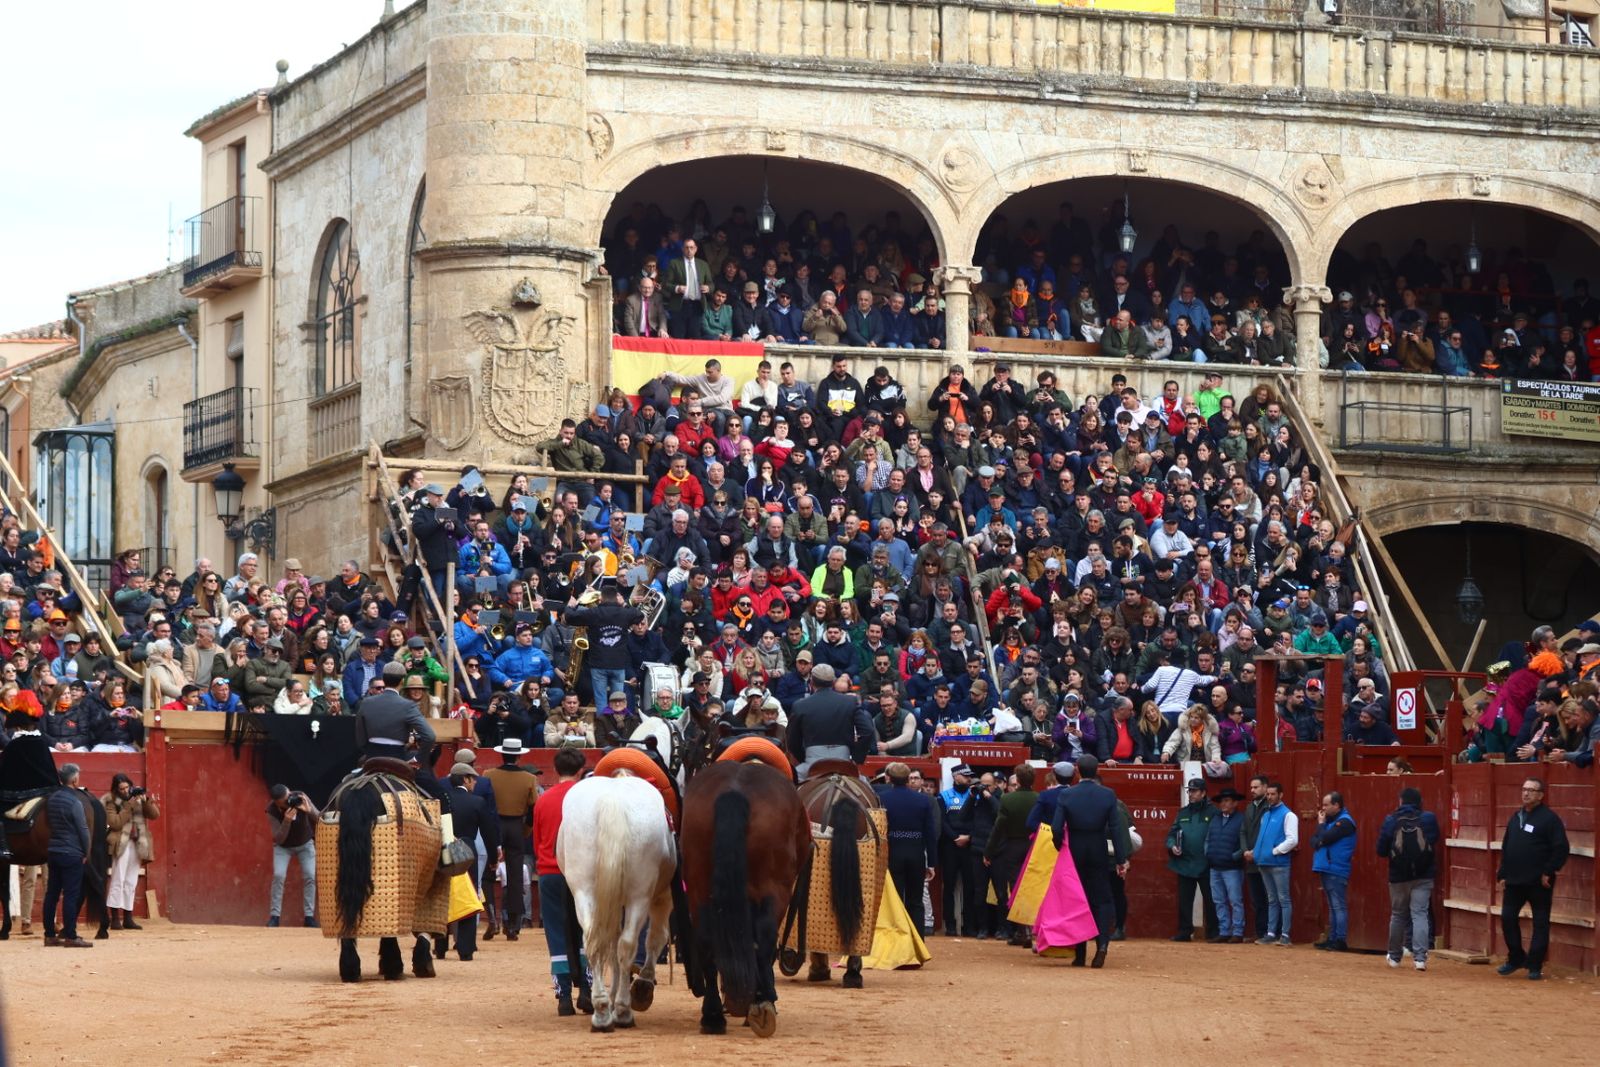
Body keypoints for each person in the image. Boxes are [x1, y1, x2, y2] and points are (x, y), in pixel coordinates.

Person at [1050, 755, 1128, 967]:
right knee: (1102, 899)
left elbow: (1056, 828)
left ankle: (1081, 953)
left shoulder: (1067, 794)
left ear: (1078, 771)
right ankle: (1102, 944)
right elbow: (1116, 829)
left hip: (1075, 850)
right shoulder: (1107, 795)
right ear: (1096, 771)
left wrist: (1060, 848)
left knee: (1077, 900)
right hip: (1098, 848)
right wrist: (1121, 859)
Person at [533, 747, 592, 1016]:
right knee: (586, 931)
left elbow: (537, 841)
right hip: (583, 874)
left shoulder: (543, 800)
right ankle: (588, 992)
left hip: (550, 871)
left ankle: (564, 996)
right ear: (581, 770)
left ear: (555, 770)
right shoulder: (586, 798)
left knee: (556, 933)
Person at [1495, 776, 1569, 981]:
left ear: (1541, 795)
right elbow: (1507, 846)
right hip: (1514, 880)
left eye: (1532, 790)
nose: (1526, 793)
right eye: (1524, 789)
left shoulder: (1549, 819)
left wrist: (1549, 871)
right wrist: (1502, 872)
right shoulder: (1515, 817)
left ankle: (1535, 964)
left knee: (1541, 922)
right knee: (1507, 918)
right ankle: (1516, 957)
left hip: (1539, 881)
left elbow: (1561, 848)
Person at [1377, 785, 1439, 972]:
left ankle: (1395, 957)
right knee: (1419, 913)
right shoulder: (1428, 818)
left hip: (1398, 875)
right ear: (1420, 802)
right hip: (1423, 874)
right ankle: (1420, 959)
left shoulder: (1391, 820)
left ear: (1401, 801)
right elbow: (1434, 840)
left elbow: (1380, 850)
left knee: (1398, 915)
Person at [484, 737, 541, 941]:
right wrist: (526, 829)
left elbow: (484, 803)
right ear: (518, 756)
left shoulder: (489, 775)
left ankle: (492, 917)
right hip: (516, 826)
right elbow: (534, 808)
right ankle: (513, 924)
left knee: (489, 871)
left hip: (494, 825)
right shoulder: (528, 779)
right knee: (516, 875)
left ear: (502, 754)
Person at [446, 760, 499, 962]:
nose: (475, 783)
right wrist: (493, 859)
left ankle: (440, 944)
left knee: (443, 893)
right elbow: (489, 833)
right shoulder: (477, 802)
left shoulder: (443, 800)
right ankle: (465, 948)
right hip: (466, 851)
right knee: (467, 894)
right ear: (465, 779)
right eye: (473, 779)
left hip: (444, 849)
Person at [877, 761, 938, 934]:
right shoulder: (923, 800)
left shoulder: (883, 799)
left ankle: (896, 941)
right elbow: (930, 833)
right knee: (916, 901)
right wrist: (931, 862)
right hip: (916, 853)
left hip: (892, 853)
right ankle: (917, 941)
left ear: (889, 778)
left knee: (894, 901)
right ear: (907, 778)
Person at [785, 663, 874, 774]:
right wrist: (856, 758)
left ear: (811, 682)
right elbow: (868, 731)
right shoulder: (849, 702)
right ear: (833, 682)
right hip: (843, 760)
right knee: (865, 788)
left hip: (812, 762)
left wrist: (802, 758)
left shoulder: (800, 705)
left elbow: (792, 740)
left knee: (789, 786)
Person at [42, 763, 93, 947]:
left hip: (54, 851)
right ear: (74, 780)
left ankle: (49, 935)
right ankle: (70, 936)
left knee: (52, 894)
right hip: (71, 853)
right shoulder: (75, 802)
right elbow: (83, 829)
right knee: (71, 895)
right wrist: (86, 851)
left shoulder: (52, 799)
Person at [101, 772, 159, 931]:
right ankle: (114, 919)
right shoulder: (111, 801)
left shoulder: (135, 797)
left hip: (137, 842)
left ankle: (128, 917)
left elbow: (155, 815)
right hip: (121, 843)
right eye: (122, 789)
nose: (126, 791)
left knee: (131, 881)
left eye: (127, 787)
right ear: (116, 789)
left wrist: (146, 801)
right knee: (118, 879)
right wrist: (130, 805)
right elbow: (115, 823)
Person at [1164, 777, 1217, 942]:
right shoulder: (1183, 813)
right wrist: (1172, 846)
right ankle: (1184, 931)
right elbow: (1172, 834)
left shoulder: (1213, 812)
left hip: (1207, 863)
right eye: (1189, 791)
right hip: (1185, 863)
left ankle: (1213, 932)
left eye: (1194, 791)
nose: (1190, 794)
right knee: (1184, 900)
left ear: (1203, 793)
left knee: (1211, 900)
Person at [1249, 781, 1298, 946]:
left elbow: (1293, 840)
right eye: (1268, 794)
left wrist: (1275, 851)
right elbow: (1261, 838)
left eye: (1273, 794)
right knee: (1272, 899)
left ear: (1280, 795)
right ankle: (1271, 933)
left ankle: (1284, 935)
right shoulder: (1266, 814)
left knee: (1283, 899)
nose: (1269, 797)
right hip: (1264, 862)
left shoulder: (1289, 815)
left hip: (1278, 863)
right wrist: (1257, 853)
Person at [355, 661, 436, 758]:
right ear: (402, 681)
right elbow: (430, 736)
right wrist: (417, 760)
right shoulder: (408, 705)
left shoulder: (366, 702)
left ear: (384, 680)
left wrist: (369, 751)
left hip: (372, 755)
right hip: (397, 756)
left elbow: (360, 738)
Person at [266, 784, 320, 928]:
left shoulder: (300, 797)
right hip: (283, 848)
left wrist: (309, 811)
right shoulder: (271, 809)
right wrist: (287, 821)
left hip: (305, 844)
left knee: (310, 876)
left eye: (289, 796)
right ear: (277, 802)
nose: (289, 800)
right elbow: (279, 838)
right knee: (279, 875)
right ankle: (275, 917)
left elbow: (319, 817)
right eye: (285, 801)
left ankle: (309, 917)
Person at [1309, 791, 1356, 952]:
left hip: (1336, 868)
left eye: (1326, 805)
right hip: (1328, 867)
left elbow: (1325, 838)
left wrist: (1321, 826)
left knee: (1338, 906)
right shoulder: (1332, 822)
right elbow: (1314, 841)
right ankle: (1333, 938)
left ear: (1337, 805)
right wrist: (1321, 834)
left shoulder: (1345, 822)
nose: (1323, 808)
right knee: (1333, 906)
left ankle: (1340, 940)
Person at [937, 764, 978, 937]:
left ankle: (969, 926)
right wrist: (955, 838)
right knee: (949, 887)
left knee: (970, 887)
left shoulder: (975, 796)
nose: (969, 779)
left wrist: (968, 837)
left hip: (970, 845)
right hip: (950, 847)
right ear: (955, 777)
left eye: (970, 776)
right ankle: (951, 926)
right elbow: (942, 821)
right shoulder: (944, 796)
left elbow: (978, 820)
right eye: (965, 776)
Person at [1205, 787, 1247, 943]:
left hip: (1232, 868)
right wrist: (1208, 853)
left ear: (1235, 803)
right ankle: (1224, 930)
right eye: (1222, 801)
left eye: (1227, 801)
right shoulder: (1215, 819)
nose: (1223, 804)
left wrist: (1234, 857)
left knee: (1235, 900)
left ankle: (1237, 932)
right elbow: (1208, 839)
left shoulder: (1241, 820)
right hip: (1215, 866)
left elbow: (1245, 843)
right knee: (1219, 900)